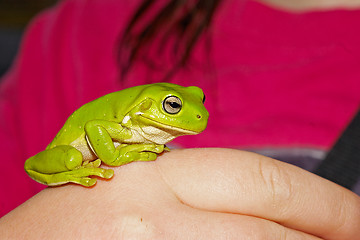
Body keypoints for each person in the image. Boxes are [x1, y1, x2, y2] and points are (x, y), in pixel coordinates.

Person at [0, 0, 359, 238]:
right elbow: (95, 128)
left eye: (198, 101)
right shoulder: (82, 32)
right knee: (72, 158)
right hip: (69, 153)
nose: (198, 113)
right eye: (174, 106)